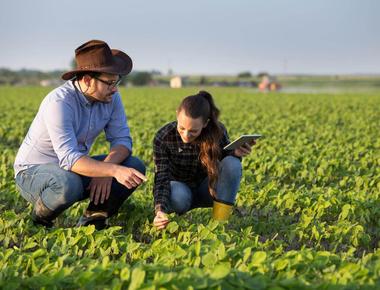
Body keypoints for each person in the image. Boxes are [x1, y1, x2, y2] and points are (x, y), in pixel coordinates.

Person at [14, 40, 147, 229]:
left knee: (134, 165)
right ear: (86, 80)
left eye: (116, 81)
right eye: (109, 82)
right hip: (32, 173)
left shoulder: (111, 97)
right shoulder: (59, 102)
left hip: (71, 168)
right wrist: (112, 171)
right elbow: (69, 159)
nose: (115, 88)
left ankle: (93, 220)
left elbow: (122, 141)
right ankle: (39, 220)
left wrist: (107, 169)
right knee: (69, 183)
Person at [153, 91, 255, 230]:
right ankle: (173, 216)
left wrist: (235, 153)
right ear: (177, 114)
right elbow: (161, 177)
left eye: (193, 131)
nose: (186, 135)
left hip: (207, 189)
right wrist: (160, 210)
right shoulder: (163, 136)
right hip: (180, 191)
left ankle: (220, 223)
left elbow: (226, 162)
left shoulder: (217, 131)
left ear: (205, 123)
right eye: (182, 128)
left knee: (232, 163)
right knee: (178, 196)